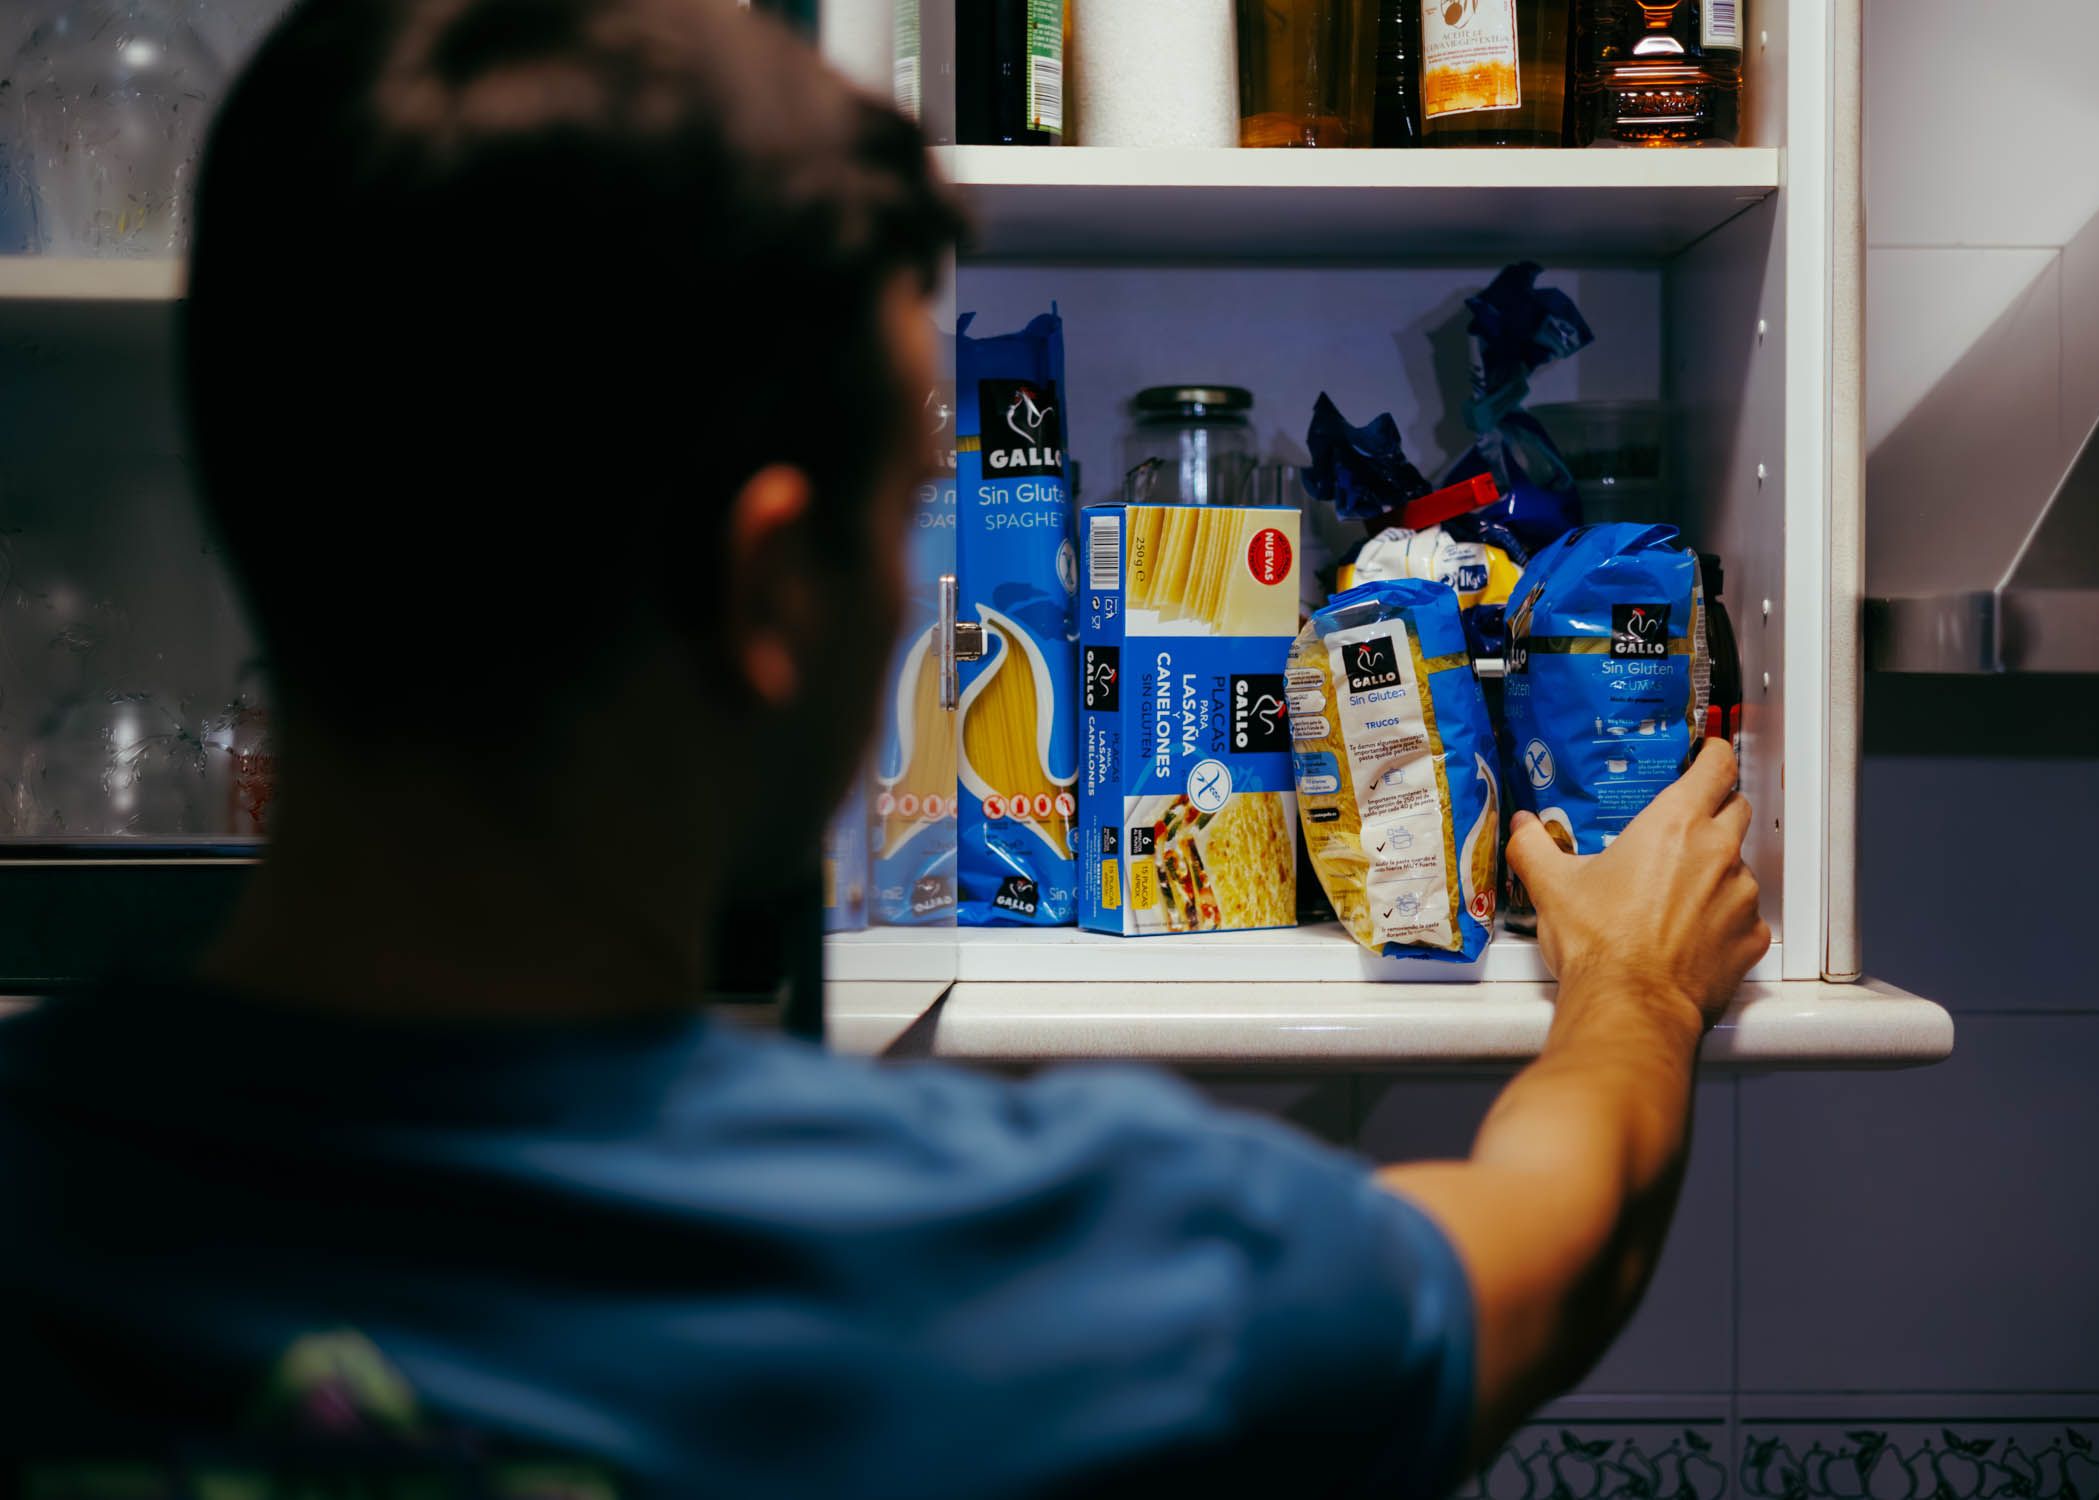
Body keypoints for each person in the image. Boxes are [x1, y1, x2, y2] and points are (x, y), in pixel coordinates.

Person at [0, 0, 1769, 1493]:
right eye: (902, 520)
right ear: (775, 588)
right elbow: (1551, 1255)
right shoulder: (1022, 1268)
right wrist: (1634, 990)